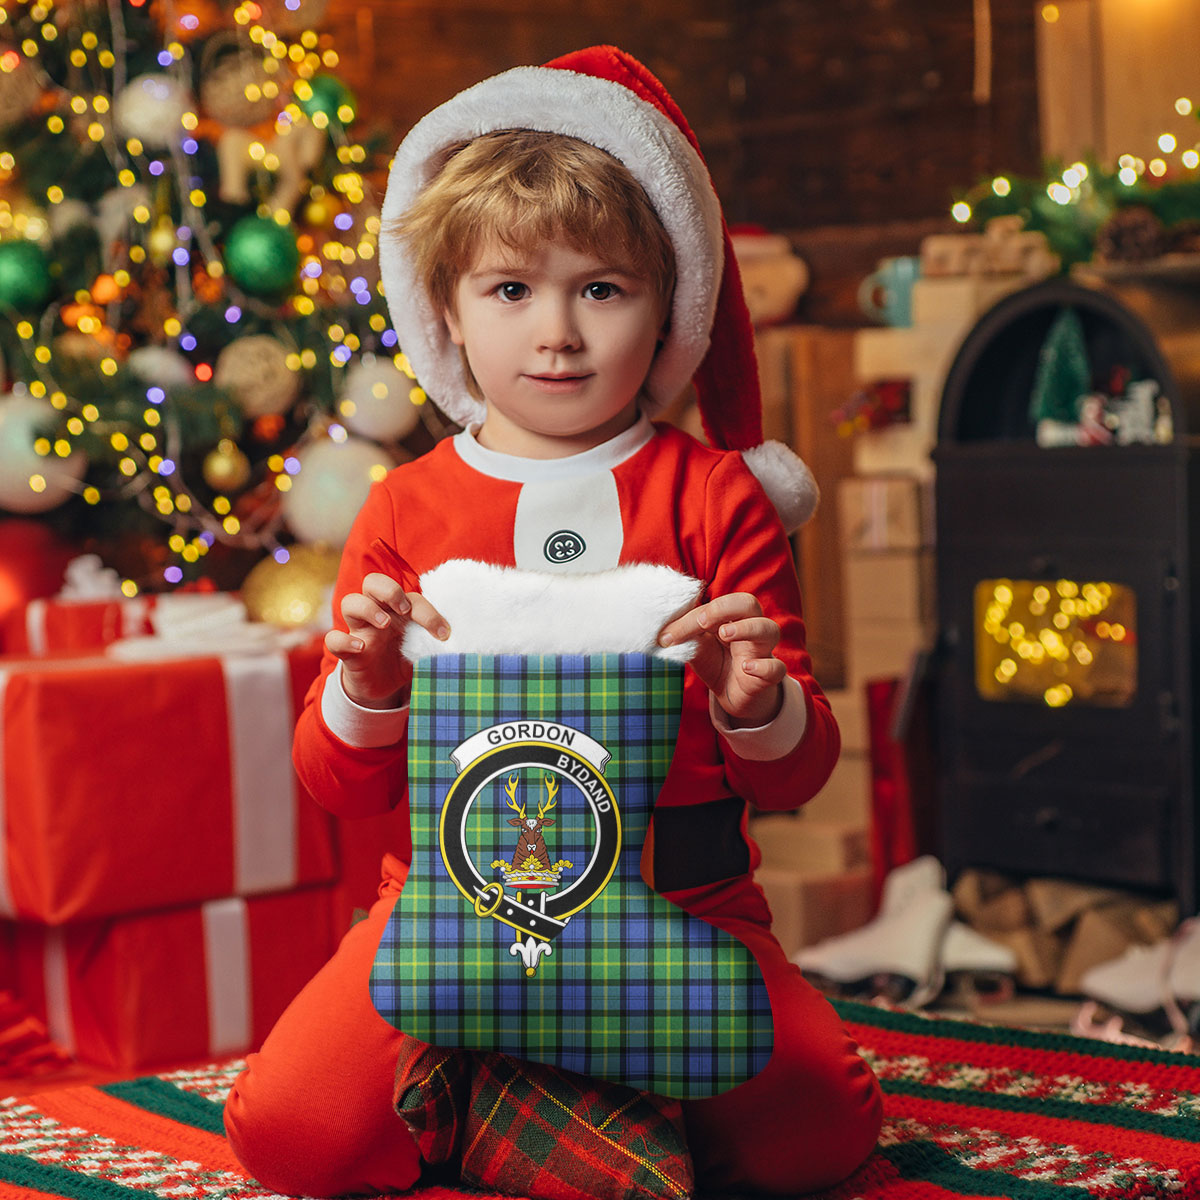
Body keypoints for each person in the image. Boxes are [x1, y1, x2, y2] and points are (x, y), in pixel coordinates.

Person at [224, 45, 882, 1197]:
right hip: (447, 903)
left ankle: (527, 1087)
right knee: (293, 1136)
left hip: (684, 903)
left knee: (817, 1135)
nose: (558, 334)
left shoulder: (716, 496)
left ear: (665, 303)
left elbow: (796, 780)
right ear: (447, 310)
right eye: (512, 289)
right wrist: (368, 686)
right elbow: (339, 785)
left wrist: (760, 705)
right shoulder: (407, 503)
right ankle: (539, 1086)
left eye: (602, 288)